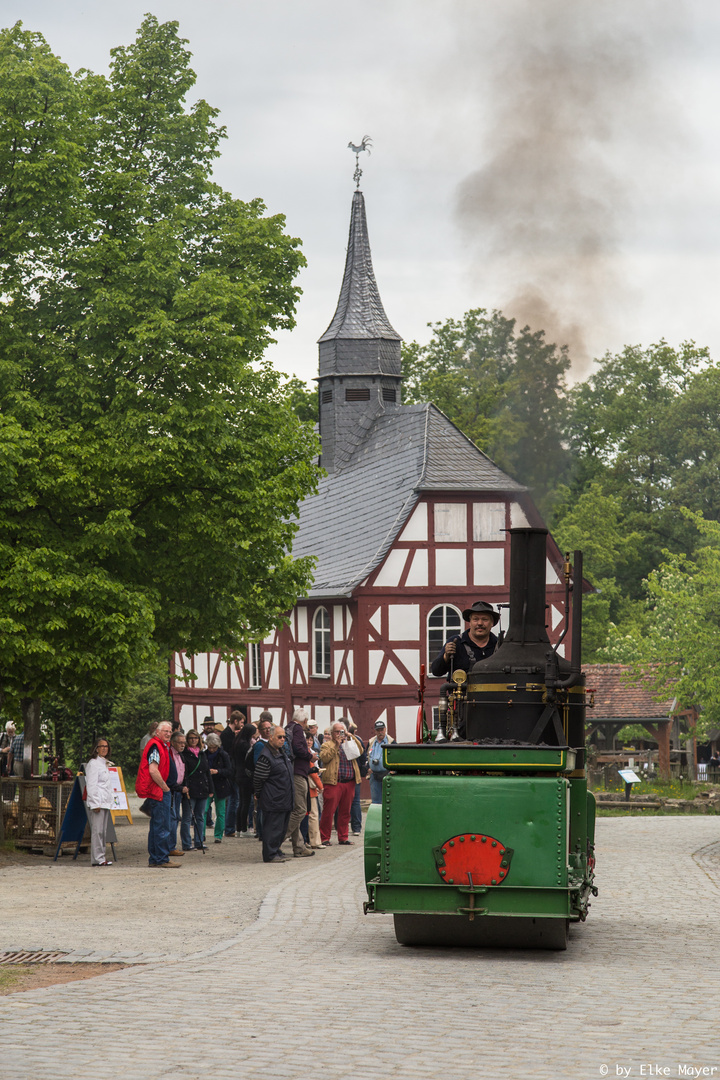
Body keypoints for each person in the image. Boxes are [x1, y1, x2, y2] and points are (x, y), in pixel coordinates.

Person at [135, 720, 180, 868]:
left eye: (170, 731)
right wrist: (165, 787)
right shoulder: (156, 746)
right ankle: (161, 859)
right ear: (157, 732)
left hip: (158, 791)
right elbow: (153, 770)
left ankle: (155, 859)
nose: (168, 734)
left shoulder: (160, 745)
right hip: (159, 791)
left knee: (157, 826)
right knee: (162, 826)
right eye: (165, 731)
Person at [253, 725, 295, 863]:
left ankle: (276, 850)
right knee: (272, 828)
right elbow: (259, 778)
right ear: (271, 737)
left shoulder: (281, 752)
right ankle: (270, 854)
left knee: (281, 828)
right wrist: (259, 794)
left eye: (284, 737)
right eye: (279, 737)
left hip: (284, 798)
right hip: (273, 799)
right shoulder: (266, 755)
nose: (282, 739)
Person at [318, 719, 363, 846]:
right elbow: (325, 758)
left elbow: (360, 752)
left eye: (341, 732)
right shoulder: (327, 744)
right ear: (332, 733)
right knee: (328, 811)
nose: (339, 734)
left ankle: (343, 837)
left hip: (349, 782)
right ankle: (324, 838)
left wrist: (351, 736)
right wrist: (336, 745)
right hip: (333, 782)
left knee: (345, 812)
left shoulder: (349, 742)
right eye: (336, 732)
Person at [430, 601, 500, 677]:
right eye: (475, 619)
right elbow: (436, 671)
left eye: (485, 619)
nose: (480, 623)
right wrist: (446, 656)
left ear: (492, 623)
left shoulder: (500, 644)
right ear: (470, 622)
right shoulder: (455, 642)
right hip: (462, 689)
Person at [284, 707, 316, 858]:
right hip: (298, 773)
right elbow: (298, 748)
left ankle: (299, 847)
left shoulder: (288, 727)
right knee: (300, 810)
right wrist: (310, 756)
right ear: (304, 721)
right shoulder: (297, 729)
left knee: (296, 809)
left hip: (292, 771)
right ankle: (276, 840)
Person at [84, 737, 115, 867]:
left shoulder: (105, 763)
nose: (104, 748)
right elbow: (91, 785)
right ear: (96, 749)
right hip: (98, 802)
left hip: (105, 801)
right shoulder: (93, 763)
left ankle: (101, 857)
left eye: (106, 746)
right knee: (97, 831)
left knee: (102, 831)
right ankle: (97, 858)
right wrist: (95, 803)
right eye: (101, 746)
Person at [180, 728, 211, 851]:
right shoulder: (185, 754)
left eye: (195, 738)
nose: (193, 740)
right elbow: (184, 773)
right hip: (190, 789)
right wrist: (185, 786)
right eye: (191, 738)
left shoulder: (202, 754)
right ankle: (187, 843)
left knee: (200, 816)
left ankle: (199, 841)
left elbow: (207, 772)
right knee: (187, 817)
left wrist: (210, 788)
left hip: (202, 788)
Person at [249, 713, 274, 842]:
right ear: (260, 731)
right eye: (265, 728)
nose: (268, 730)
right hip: (263, 779)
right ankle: (260, 831)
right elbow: (258, 762)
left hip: (271, 781)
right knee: (261, 807)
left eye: (270, 728)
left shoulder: (271, 743)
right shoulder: (260, 745)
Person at [205, 733, 233, 843]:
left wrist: (217, 771)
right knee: (204, 810)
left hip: (220, 785)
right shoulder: (204, 754)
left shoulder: (223, 755)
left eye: (214, 747)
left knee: (220, 812)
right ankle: (201, 835)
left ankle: (218, 835)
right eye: (210, 747)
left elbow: (229, 771)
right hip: (207, 786)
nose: (212, 749)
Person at [232, 722, 257, 837]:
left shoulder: (237, 742)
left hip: (238, 773)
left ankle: (239, 828)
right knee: (246, 802)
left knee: (241, 802)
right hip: (245, 775)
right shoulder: (245, 745)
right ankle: (243, 829)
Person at [223, 711, 245, 836]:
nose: (242, 725)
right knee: (233, 800)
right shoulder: (227, 735)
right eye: (241, 722)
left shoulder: (229, 734)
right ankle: (230, 828)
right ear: (235, 721)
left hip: (232, 771)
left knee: (234, 800)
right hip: (232, 772)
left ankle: (230, 827)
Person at [167, 731, 187, 858]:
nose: (182, 745)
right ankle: (170, 847)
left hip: (179, 790)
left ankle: (172, 846)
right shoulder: (170, 754)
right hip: (172, 790)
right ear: (173, 743)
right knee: (172, 818)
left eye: (184, 743)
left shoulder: (181, 755)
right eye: (180, 743)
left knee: (175, 818)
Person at [346, 719, 367, 837]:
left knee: (354, 801)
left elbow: (362, 754)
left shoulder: (356, 740)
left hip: (354, 774)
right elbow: (363, 757)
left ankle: (355, 827)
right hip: (355, 773)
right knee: (355, 801)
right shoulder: (357, 739)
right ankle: (356, 827)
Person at [367, 719, 394, 804]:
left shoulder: (391, 742)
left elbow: (397, 758)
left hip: (387, 775)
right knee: (375, 802)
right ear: (375, 731)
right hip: (374, 775)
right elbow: (365, 756)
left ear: (385, 729)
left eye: (381, 730)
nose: (380, 732)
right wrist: (368, 767)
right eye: (378, 730)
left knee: (388, 800)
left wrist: (393, 770)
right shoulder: (371, 742)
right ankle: (377, 817)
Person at [306, 733, 324, 848]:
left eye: (311, 739)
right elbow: (313, 773)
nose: (309, 742)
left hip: (306, 786)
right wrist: (320, 786)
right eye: (307, 739)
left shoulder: (308, 752)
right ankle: (315, 841)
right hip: (310, 787)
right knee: (313, 814)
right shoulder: (308, 754)